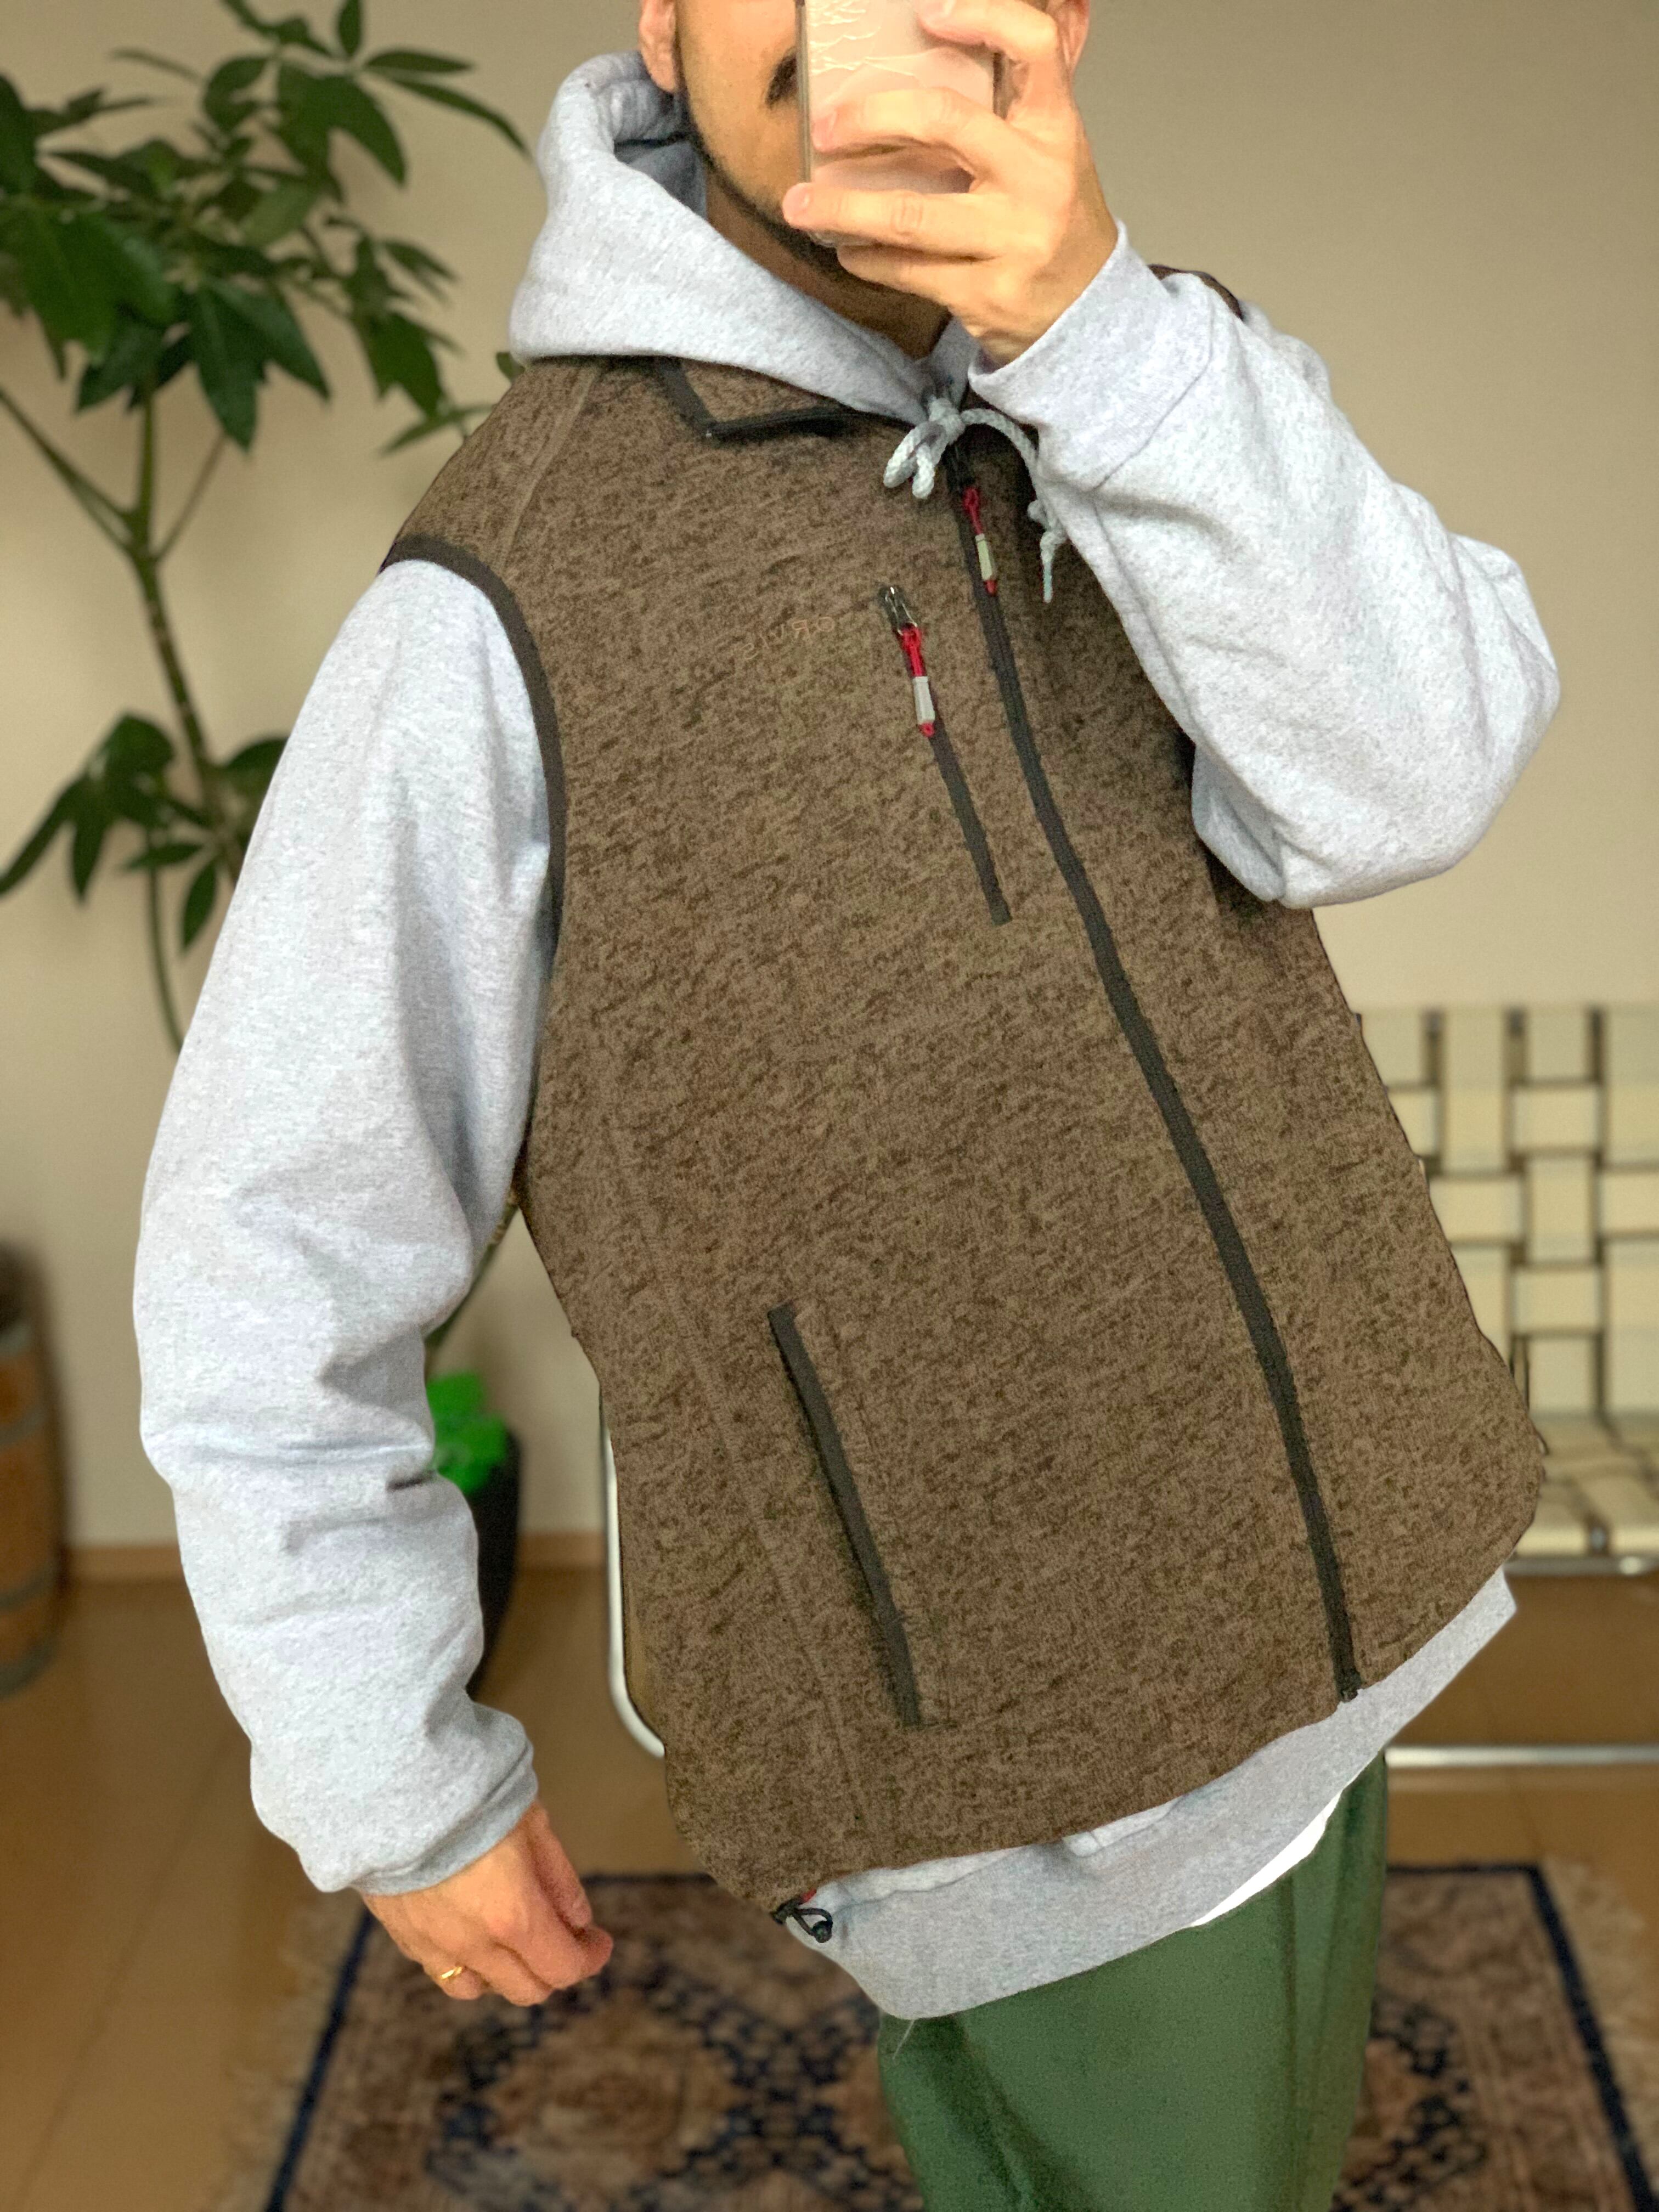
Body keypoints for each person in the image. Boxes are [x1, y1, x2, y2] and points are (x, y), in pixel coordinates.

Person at [133, 0, 1560, 2203]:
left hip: (1346, 1624)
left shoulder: (1167, 379)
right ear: (667, 19)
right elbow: (273, 1237)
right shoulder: (508, 590)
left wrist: (1108, 344)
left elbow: (1417, 776)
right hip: (1012, 1770)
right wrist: (381, 1764)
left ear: (1051, 15)